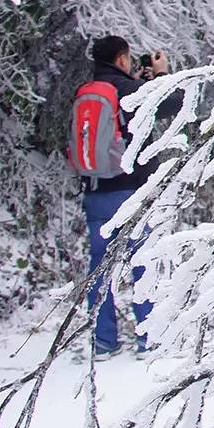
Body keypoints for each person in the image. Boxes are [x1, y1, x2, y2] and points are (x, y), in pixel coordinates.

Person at [80, 35, 180, 358]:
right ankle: (148, 335)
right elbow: (173, 103)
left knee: (100, 266)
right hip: (129, 190)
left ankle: (103, 340)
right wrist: (162, 75)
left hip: (94, 191)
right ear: (122, 59)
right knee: (142, 261)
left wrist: (139, 81)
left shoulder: (85, 92)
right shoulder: (127, 92)